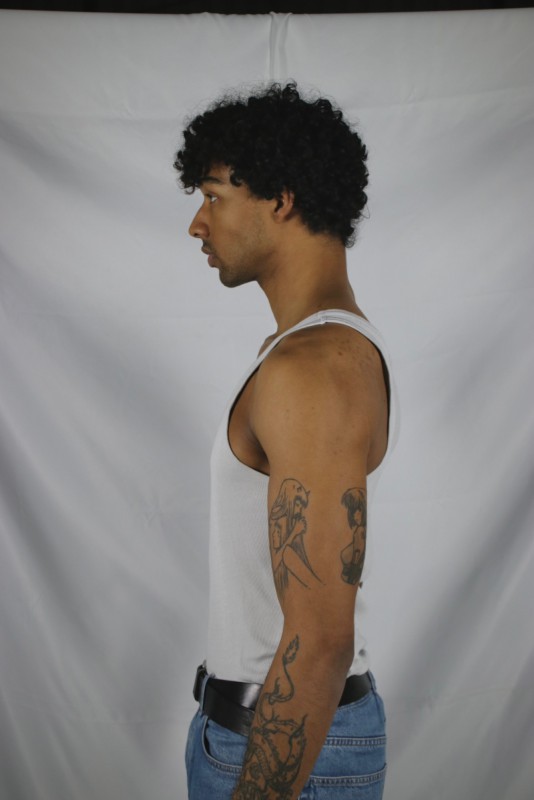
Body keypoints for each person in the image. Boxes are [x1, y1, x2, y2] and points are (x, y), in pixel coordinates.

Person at [174, 82, 398, 800]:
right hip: (267, 736)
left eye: (213, 196)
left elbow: (321, 641)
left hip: (286, 750)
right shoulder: (308, 353)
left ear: (280, 199)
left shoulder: (314, 370)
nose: (197, 224)